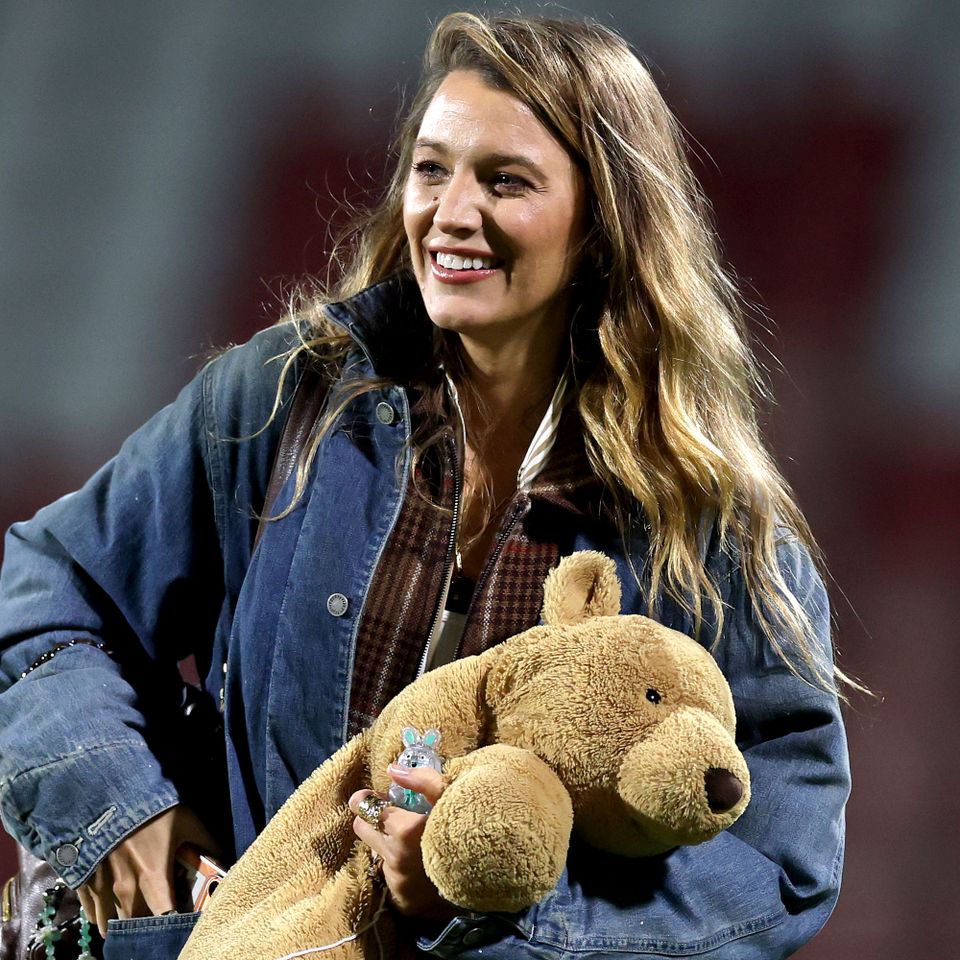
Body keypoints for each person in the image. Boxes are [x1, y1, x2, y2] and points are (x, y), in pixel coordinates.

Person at [0, 12, 851, 960]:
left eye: (506, 181)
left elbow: (783, 860)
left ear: (606, 224)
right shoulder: (289, 395)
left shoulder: (707, 525)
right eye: (432, 168)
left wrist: (495, 911)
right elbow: (41, 596)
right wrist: (122, 811)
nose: (449, 213)